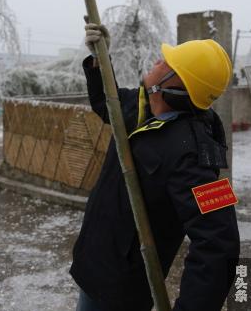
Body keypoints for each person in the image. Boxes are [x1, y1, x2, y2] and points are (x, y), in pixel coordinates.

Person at [70, 22, 240, 311]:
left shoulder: (194, 153)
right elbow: (104, 102)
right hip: (93, 263)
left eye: (167, 61)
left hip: (120, 289)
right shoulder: (142, 109)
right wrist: (100, 58)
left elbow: (220, 243)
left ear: (176, 83)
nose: (158, 60)